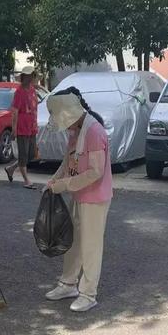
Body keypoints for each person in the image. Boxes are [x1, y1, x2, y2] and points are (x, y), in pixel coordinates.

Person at [44, 87, 113, 312]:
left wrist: (63, 185)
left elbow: (96, 172)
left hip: (94, 198)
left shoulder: (93, 131)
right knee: (74, 242)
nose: (66, 128)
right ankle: (68, 283)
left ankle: (88, 293)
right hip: (79, 193)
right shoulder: (77, 129)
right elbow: (68, 162)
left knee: (91, 246)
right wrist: (54, 180)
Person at [6, 64, 39, 189]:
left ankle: (11, 168)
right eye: (28, 76)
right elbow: (14, 111)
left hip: (32, 126)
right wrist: (14, 129)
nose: (30, 78)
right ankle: (26, 180)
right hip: (22, 127)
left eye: (32, 76)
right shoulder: (19, 92)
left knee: (31, 154)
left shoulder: (32, 89)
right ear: (24, 77)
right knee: (24, 154)